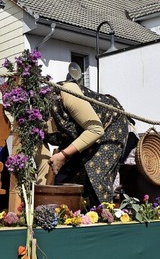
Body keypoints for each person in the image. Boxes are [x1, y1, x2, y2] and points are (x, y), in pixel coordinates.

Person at [35, 76, 132, 208]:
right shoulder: (31, 122)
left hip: (109, 126)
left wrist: (63, 155)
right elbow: (44, 164)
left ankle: (101, 219)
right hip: (82, 134)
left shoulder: (65, 92)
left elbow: (95, 130)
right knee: (62, 179)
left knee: (95, 179)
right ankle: (69, 219)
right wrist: (42, 195)